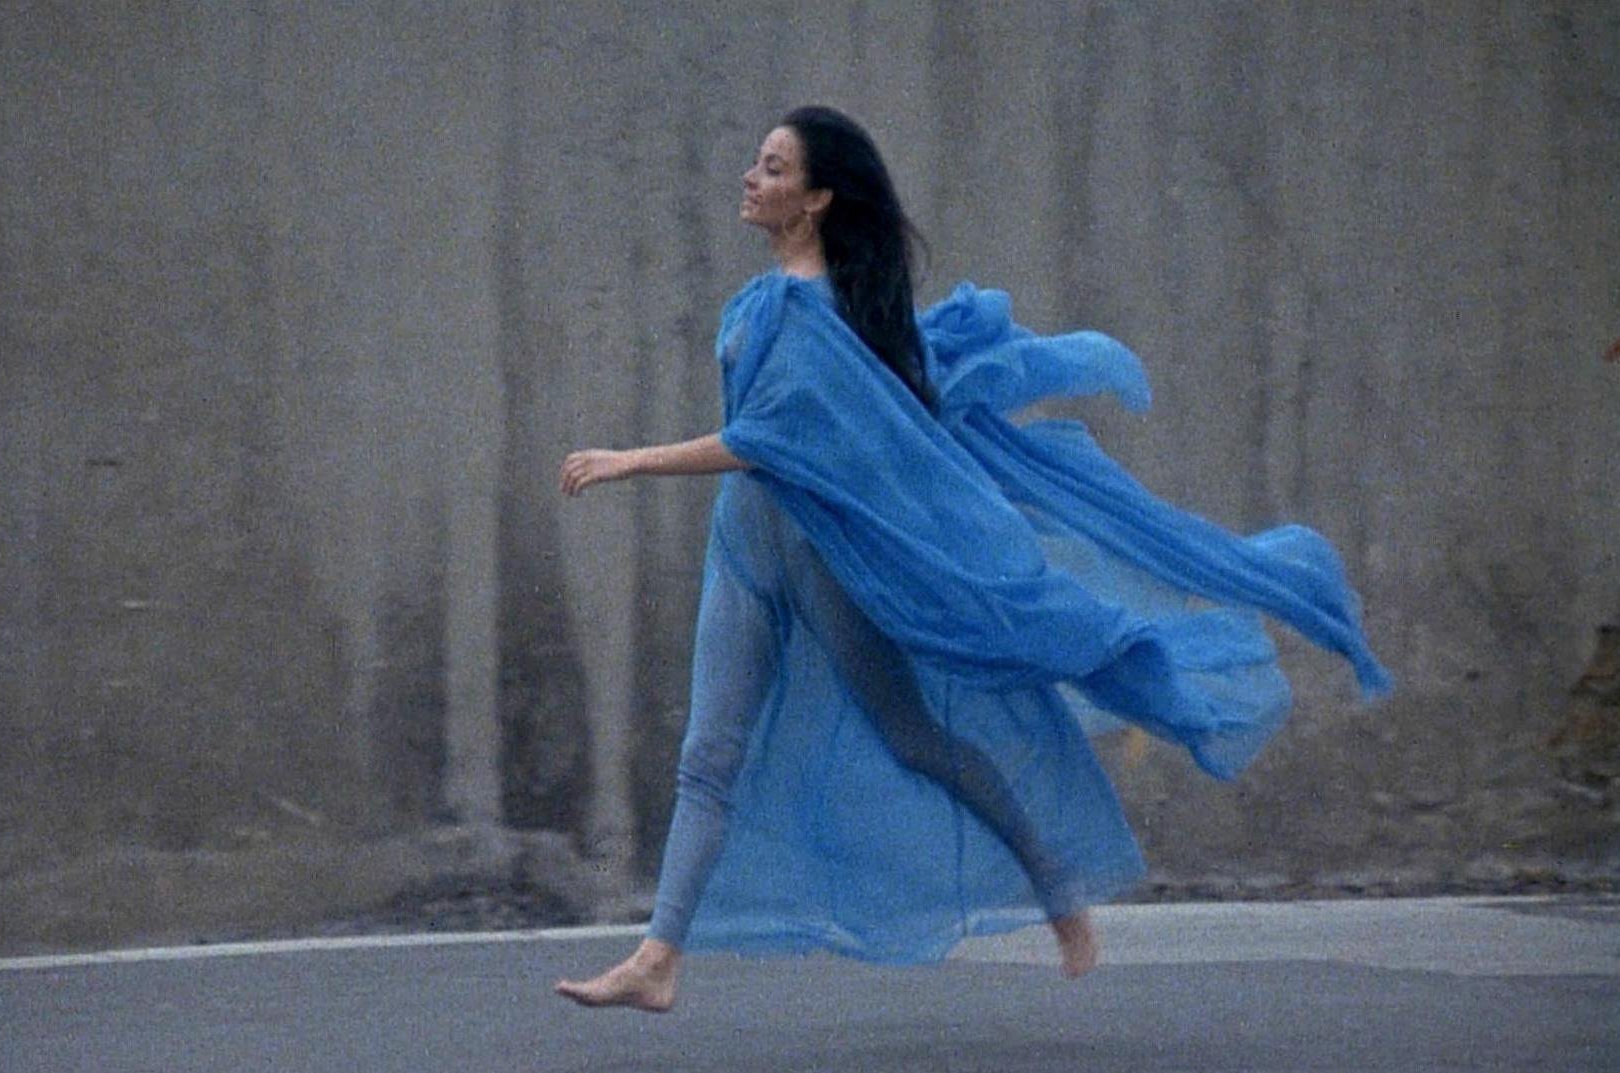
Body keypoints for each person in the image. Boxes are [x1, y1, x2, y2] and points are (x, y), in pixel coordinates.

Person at [553, 106, 1390, 1013]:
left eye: (773, 168)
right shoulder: (758, 304)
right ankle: (658, 958)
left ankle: (1052, 879)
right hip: (747, 547)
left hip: (830, 559)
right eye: (756, 163)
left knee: (913, 737)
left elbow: (765, 439)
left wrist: (629, 460)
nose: (750, 179)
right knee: (708, 752)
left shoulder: (820, 317)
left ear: (817, 199)